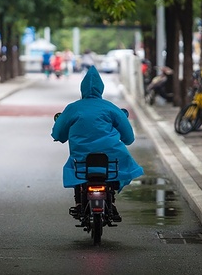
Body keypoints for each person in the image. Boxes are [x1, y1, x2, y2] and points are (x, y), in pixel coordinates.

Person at [51, 66, 144, 218]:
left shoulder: (73, 108)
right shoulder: (110, 108)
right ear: (101, 89)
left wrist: (59, 136)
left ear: (82, 89)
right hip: (111, 159)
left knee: (76, 169)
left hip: (82, 159)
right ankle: (110, 197)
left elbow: (59, 132)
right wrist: (126, 139)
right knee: (117, 167)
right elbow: (128, 136)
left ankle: (80, 203)